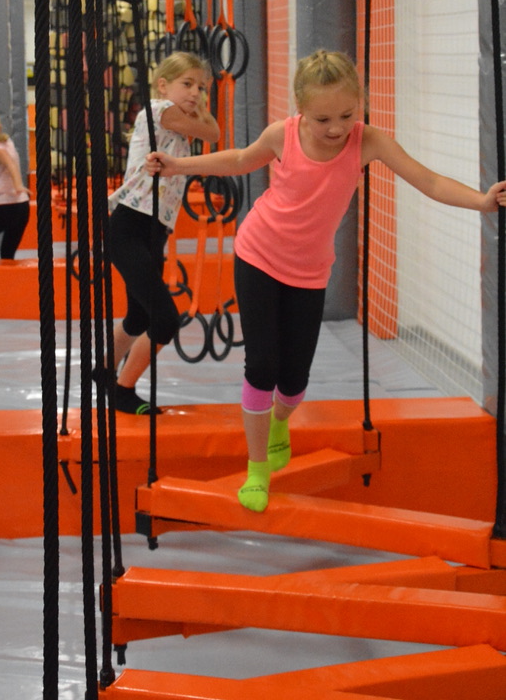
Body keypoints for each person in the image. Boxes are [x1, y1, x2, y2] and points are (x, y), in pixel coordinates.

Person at [146, 49, 506, 510]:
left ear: (360, 105)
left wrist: (481, 201)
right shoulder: (282, 135)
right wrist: (179, 166)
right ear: (300, 109)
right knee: (262, 366)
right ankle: (257, 468)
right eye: (322, 119)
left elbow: (428, 181)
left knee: (294, 381)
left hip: (309, 272)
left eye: (346, 115)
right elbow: (239, 159)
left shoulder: (367, 141)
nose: (336, 128)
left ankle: (280, 422)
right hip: (257, 255)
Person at [107, 51, 220, 414]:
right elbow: (212, 132)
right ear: (162, 86)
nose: (195, 93)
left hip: (153, 229)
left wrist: (197, 103)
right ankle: (123, 390)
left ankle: (102, 370)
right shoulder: (159, 111)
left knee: (139, 317)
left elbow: (213, 133)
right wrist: (200, 110)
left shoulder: (179, 119)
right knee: (165, 319)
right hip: (129, 225)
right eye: (187, 84)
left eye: (201, 87)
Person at [0, 108, 31, 260]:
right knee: (7, 255)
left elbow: (10, 164)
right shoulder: (7, 142)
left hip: (5, 207)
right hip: (22, 207)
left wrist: (18, 185)